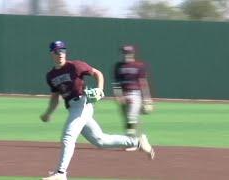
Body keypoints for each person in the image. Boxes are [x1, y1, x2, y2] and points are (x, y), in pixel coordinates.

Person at [40, 40, 155, 180]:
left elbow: (97, 73)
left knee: (68, 137)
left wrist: (100, 89)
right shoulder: (51, 76)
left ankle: (61, 173)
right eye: (57, 51)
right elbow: (55, 98)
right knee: (100, 140)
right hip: (73, 108)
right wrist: (48, 113)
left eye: (63, 50)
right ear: (52, 53)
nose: (61, 54)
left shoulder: (75, 65)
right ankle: (137, 142)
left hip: (83, 103)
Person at [113, 45, 153, 142]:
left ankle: (131, 141)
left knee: (132, 117)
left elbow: (143, 82)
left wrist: (147, 98)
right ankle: (138, 138)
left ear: (132, 54)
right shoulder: (118, 66)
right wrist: (118, 95)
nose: (126, 55)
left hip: (135, 94)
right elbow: (116, 83)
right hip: (123, 95)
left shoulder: (139, 66)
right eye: (124, 53)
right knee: (127, 119)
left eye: (128, 53)